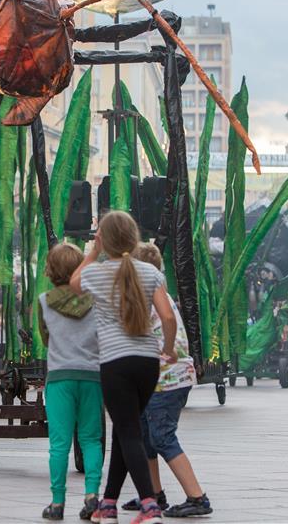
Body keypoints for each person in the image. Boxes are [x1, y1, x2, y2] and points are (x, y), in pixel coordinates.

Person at [70, 211, 178, 524]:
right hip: (147, 363)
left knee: (128, 431)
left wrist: (93, 251)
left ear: (103, 239)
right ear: (133, 237)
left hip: (115, 364)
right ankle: (108, 504)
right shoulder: (149, 272)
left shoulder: (97, 272)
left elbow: (74, 283)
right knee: (124, 428)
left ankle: (150, 505)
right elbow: (168, 318)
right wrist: (168, 350)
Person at [116, 243, 212, 519]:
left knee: (162, 437)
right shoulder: (160, 294)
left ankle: (197, 497)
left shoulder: (147, 295)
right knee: (147, 437)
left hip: (167, 379)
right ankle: (153, 495)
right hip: (163, 379)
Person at [38, 243, 102, 521]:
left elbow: (46, 339)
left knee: (59, 443)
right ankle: (91, 496)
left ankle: (57, 503)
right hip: (91, 377)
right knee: (90, 439)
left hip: (60, 378)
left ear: (50, 270)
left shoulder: (43, 301)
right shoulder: (96, 300)